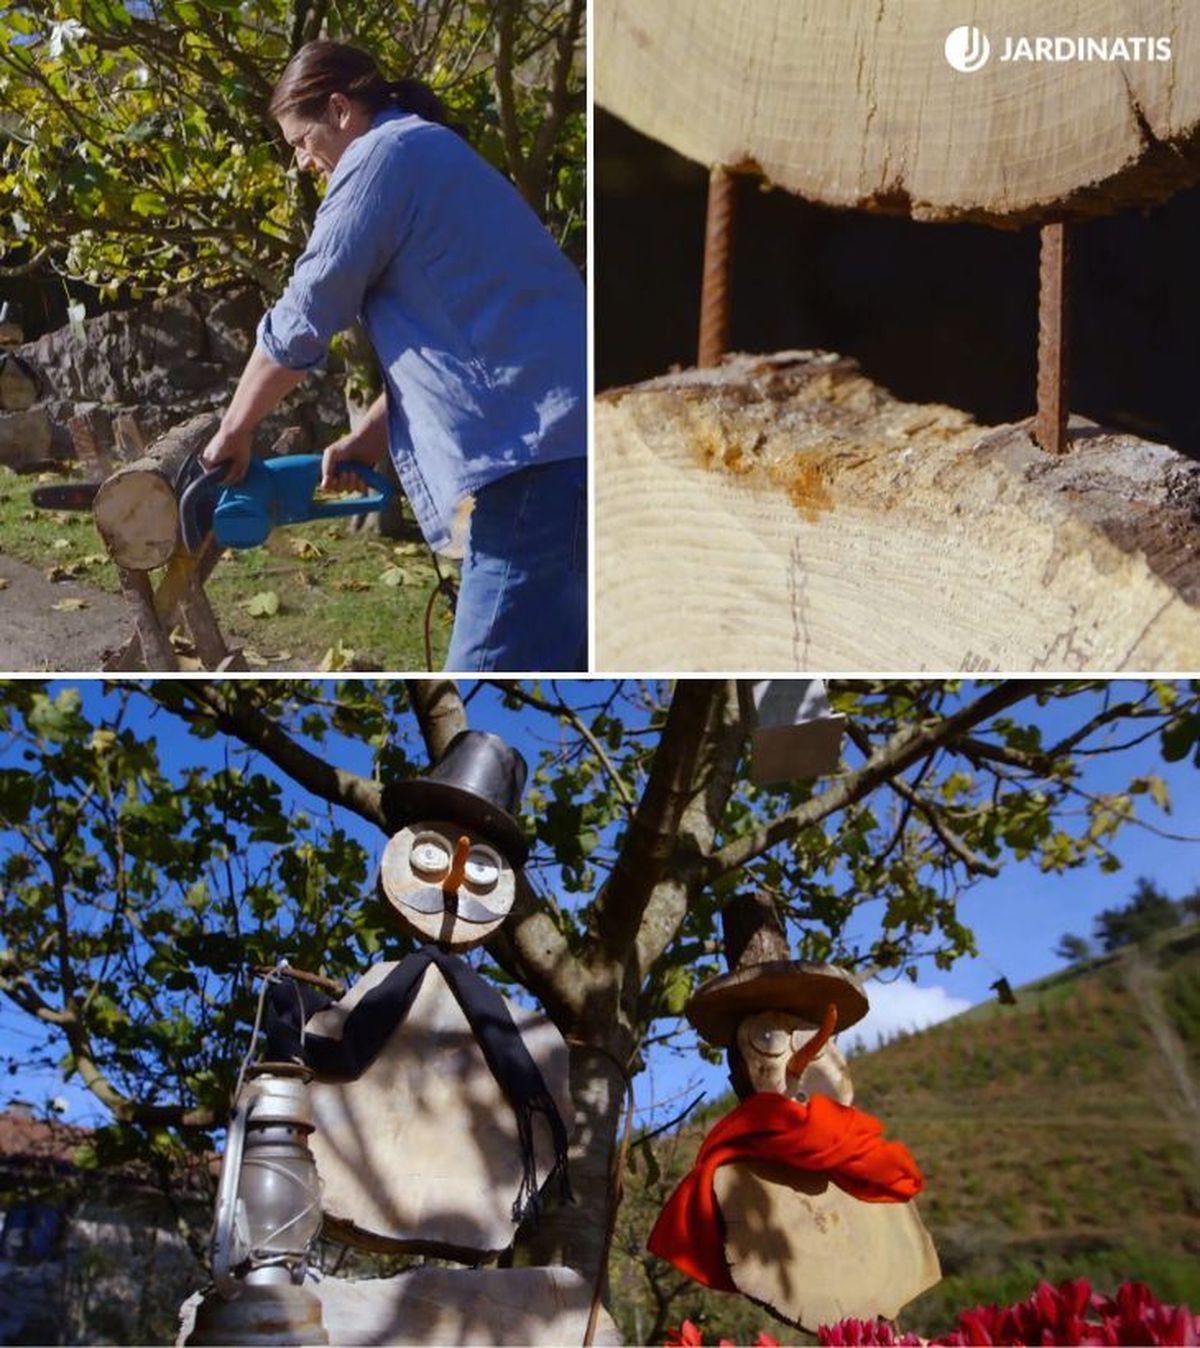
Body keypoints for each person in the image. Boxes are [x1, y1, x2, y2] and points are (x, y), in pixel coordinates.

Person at [200, 40, 587, 672]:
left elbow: (304, 315)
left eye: (301, 141)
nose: (302, 162)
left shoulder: (381, 157)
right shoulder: (434, 152)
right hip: (565, 451)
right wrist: (372, 436)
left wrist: (235, 432)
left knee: (483, 686)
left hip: (534, 467)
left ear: (340, 108)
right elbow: (470, 337)